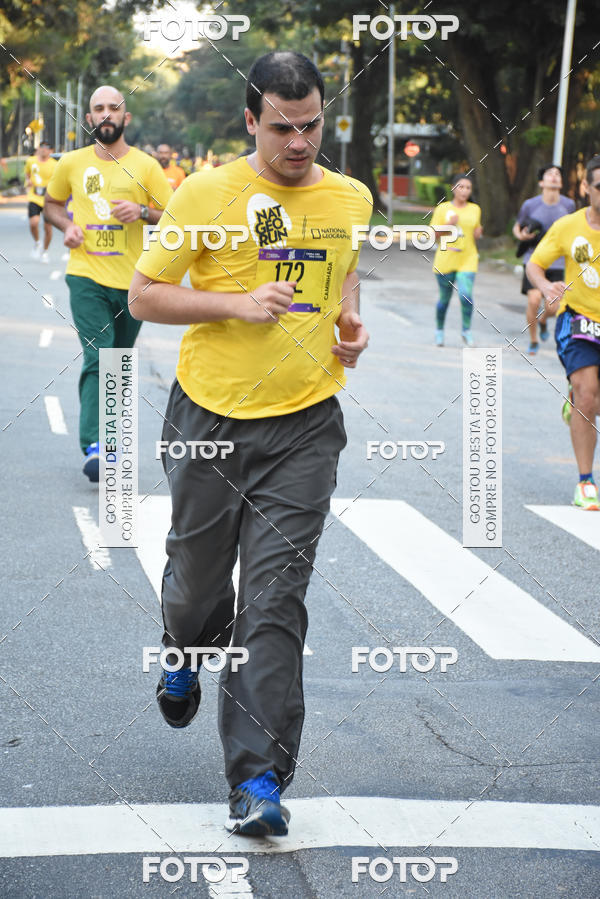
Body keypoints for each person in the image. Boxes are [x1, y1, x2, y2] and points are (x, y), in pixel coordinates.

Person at [129, 51, 372, 836]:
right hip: (209, 418)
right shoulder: (206, 194)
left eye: (311, 126)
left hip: (305, 424)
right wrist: (234, 303)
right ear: (249, 121)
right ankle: (182, 642)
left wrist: (348, 323)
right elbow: (145, 294)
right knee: (199, 581)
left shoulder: (350, 197)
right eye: (281, 128)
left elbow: (344, 271)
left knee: (273, 602)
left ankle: (259, 779)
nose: (299, 143)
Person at [44, 85, 172, 481]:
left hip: (132, 282)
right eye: (98, 108)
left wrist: (142, 211)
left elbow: (173, 216)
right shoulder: (72, 164)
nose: (105, 114)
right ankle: (94, 445)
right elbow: (51, 205)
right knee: (99, 356)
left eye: (113, 108)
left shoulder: (147, 167)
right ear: (89, 119)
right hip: (86, 276)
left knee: (119, 360)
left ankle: (112, 441)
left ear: (125, 117)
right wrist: (67, 226)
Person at [527, 154, 600, 510]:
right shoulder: (569, 226)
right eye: (599, 185)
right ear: (586, 188)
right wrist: (544, 285)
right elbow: (535, 264)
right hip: (579, 319)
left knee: (592, 400)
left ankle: (579, 400)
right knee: (587, 395)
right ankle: (586, 482)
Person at [513, 165, 575, 355]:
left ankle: (542, 320)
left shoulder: (569, 205)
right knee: (533, 300)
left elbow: (573, 230)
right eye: (550, 174)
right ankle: (533, 339)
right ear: (541, 182)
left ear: (561, 182)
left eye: (558, 174)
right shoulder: (530, 205)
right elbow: (517, 227)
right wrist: (522, 236)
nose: (554, 177)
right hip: (533, 258)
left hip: (557, 262)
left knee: (554, 306)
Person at [430, 173, 483, 347]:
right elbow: (433, 235)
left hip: (467, 258)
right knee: (444, 299)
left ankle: (466, 330)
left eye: (468, 188)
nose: (465, 191)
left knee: (465, 295)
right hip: (446, 259)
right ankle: (439, 330)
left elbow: (475, 232)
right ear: (453, 188)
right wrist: (449, 225)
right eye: (461, 187)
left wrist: (477, 234)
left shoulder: (475, 209)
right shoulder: (443, 209)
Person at [24, 140, 57, 262]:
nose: (43, 149)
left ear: (51, 151)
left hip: (48, 199)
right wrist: (28, 182)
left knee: (47, 228)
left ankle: (45, 251)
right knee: (33, 223)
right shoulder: (31, 161)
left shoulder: (54, 165)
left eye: (46, 147)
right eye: (41, 147)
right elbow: (27, 174)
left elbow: (57, 181)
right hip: (34, 196)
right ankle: (37, 242)